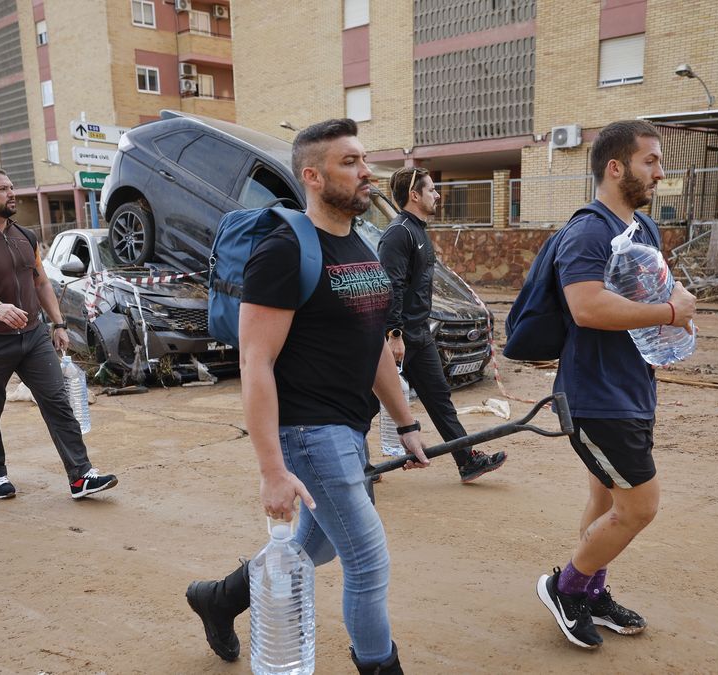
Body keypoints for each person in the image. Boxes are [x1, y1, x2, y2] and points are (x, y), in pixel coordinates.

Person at [185, 119, 428, 674]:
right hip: (309, 432)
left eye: (364, 159)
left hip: (348, 428)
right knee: (367, 561)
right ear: (313, 176)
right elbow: (256, 361)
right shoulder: (283, 249)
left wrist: (407, 424)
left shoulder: (360, 246)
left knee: (313, 549)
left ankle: (217, 599)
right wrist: (272, 469)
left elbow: (373, 350)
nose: (366, 172)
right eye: (350, 162)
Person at [534, 120, 696, 649]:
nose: (660, 171)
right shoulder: (588, 231)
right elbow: (586, 307)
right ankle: (567, 587)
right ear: (616, 166)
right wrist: (671, 311)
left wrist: (671, 308)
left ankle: (591, 591)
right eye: (650, 160)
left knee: (605, 499)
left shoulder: (641, 229)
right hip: (596, 397)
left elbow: (645, 296)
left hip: (631, 387)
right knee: (639, 506)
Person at [0, 168, 118, 500]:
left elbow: (40, 283)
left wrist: (59, 323)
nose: (12, 194)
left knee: (57, 401)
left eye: (12, 187)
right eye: (2, 189)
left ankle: (81, 476)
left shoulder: (26, 236)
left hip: (33, 335)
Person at [379, 167, 507, 483]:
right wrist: (393, 334)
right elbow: (390, 286)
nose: (437, 195)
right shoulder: (399, 234)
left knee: (439, 399)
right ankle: (351, 464)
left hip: (420, 335)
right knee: (366, 400)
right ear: (414, 195)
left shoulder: (419, 231)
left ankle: (467, 460)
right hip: (400, 337)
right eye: (432, 190)